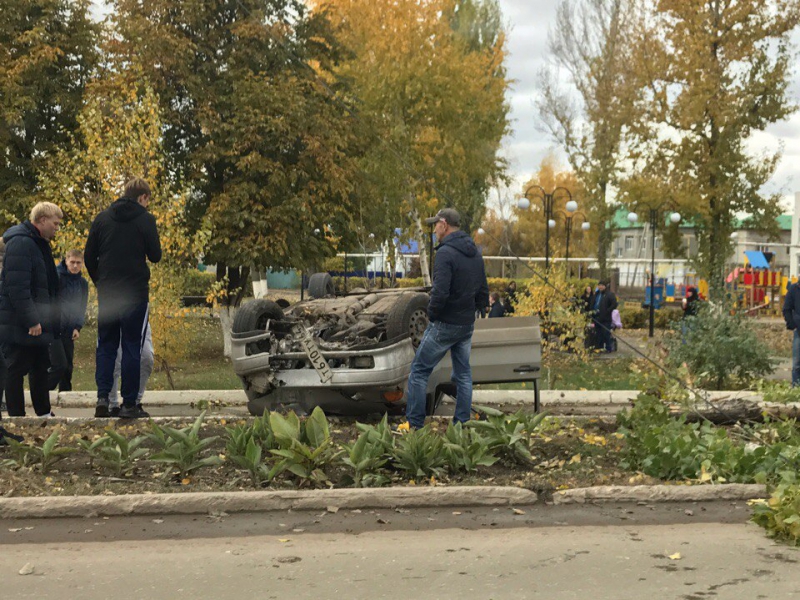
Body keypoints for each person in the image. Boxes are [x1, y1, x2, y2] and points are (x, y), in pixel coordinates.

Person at [402, 208, 489, 430]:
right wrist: (476, 311)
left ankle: (415, 427)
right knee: (463, 375)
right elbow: (482, 289)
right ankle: (461, 425)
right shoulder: (474, 253)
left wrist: (433, 314)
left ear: (444, 224)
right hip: (466, 324)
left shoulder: (445, 254)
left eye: (436, 226)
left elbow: (440, 292)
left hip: (445, 324)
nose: (435, 230)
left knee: (419, 372)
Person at [85, 178, 161, 419]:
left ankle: (103, 400)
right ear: (143, 197)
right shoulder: (146, 220)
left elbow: (89, 256)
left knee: (106, 345)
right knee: (131, 347)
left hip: (108, 294)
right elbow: (156, 255)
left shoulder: (102, 218)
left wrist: (101, 282)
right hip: (135, 294)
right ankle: (129, 404)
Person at [0, 202, 63, 417]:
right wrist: (31, 320)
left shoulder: (37, 243)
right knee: (15, 368)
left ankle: (43, 412)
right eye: (55, 223)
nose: (57, 228)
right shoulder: (21, 243)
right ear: (42, 220)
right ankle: (17, 417)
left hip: (37, 320)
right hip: (21, 322)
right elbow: (17, 287)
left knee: (39, 366)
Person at [50, 250, 89, 392]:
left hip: (70, 328)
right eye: (72, 262)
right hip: (54, 327)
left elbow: (81, 307)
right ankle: (44, 391)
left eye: (78, 263)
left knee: (68, 365)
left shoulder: (82, 283)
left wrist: (77, 327)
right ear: (66, 261)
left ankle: (65, 393)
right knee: (57, 364)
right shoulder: (57, 276)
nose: (75, 266)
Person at [107, 320, 154, 416]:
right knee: (113, 361)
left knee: (146, 358)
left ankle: (134, 403)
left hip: (138, 317)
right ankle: (113, 405)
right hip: (114, 316)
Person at [591, 280, 618, 353]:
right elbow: (593, 302)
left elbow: (614, 304)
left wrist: (607, 311)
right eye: (599, 285)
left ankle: (608, 348)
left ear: (605, 286)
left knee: (606, 333)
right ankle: (599, 347)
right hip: (596, 316)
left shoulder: (609, 294)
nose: (600, 287)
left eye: (602, 285)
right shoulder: (596, 294)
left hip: (605, 317)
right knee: (598, 334)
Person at [783, 281, 800, 387]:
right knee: (797, 363)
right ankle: (796, 390)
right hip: (799, 331)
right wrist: (793, 324)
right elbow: (786, 309)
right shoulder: (794, 289)